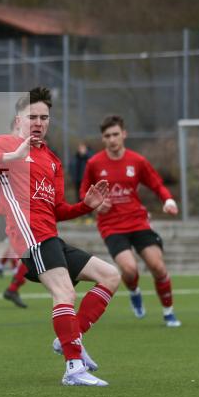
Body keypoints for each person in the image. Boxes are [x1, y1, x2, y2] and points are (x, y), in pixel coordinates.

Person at [0, 87, 120, 387]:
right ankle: (74, 368)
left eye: (44, 117)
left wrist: (86, 206)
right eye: (31, 116)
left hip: (50, 236)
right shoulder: (8, 143)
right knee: (65, 294)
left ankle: (71, 337)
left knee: (110, 276)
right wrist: (12, 155)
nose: (38, 122)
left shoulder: (53, 161)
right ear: (19, 119)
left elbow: (58, 209)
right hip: (29, 237)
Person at [81, 115, 181, 327]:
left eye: (116, 134)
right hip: (111, 226)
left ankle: (168, 312)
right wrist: (96, 205)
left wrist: (168, 200)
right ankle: (134, 291)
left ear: (124, 134)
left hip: (138, 222)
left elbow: (156, 184)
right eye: (107, 136)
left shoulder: (137, 161)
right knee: (129, 269)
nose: (112, 139)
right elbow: (84, 192)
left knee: (158, 266)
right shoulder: (94, 163)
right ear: (103, 138)